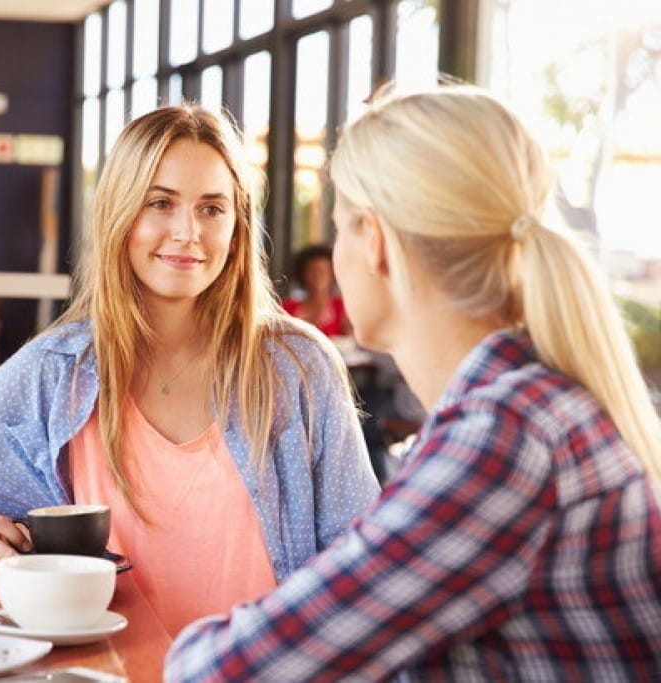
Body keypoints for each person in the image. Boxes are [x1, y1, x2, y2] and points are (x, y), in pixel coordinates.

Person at [164, 85, 661, 680]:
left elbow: (223, 671)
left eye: (342, 226)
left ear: (374, 243)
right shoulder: (530, 405)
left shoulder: (503, 440)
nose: (337, 253)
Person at [0, 104, 380, 637]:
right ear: (120, 214)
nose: (187, 232)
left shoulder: (297, 368)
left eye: (212, 209)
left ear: (239, 226)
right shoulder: (54, 373)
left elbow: (363, 563)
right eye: (161, 203)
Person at [282, 245, 349, 337]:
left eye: (323, 271)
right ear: (302, 273)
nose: (317, 277)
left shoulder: (342, 308)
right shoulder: (287, 308)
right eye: (312, 271)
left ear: (333, 274)